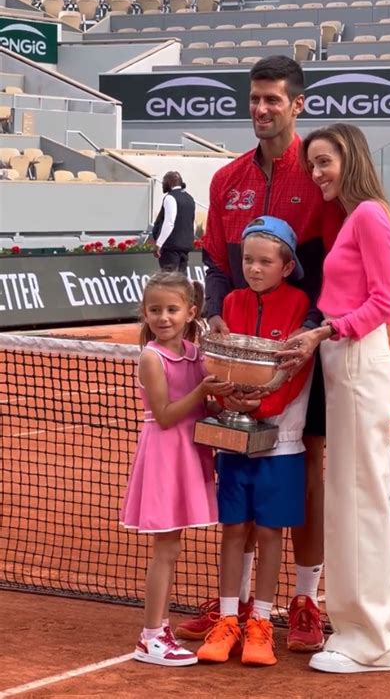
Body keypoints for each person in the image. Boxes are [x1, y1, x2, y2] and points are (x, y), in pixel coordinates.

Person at [176, 55, 345, 652]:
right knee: (238, 455)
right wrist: (217, 312)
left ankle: (304, 597)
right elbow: (219, 263)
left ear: (297, 105)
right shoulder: (226, 181)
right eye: (254, 98)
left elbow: (333, 267)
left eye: (273, 99)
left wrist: (317, 328)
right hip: (238, 340)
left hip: (312, 343)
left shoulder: (323, 178)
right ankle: (239, 600)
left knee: (307, 467)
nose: (261, 109)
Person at [278, 123, 390, 673]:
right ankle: (389, 628)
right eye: (312, 164)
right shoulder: (357, 217)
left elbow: (386, 302)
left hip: (356, 360)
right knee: (365, 498)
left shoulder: (371, 216)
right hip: (346, 363)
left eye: (326, 161)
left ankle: (366, 639)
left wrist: (322, 332)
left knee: (357, 502)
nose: (317, 173)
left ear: (350, 159)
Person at [197, 217, 314, 667]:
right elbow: (219, 362)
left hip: (281, 442)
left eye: (265, 261)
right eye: (248, 259)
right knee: (232, 530)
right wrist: (225, 397)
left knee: (269, 533)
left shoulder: (301, 304)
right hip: (233, 439)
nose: (255, 268)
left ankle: (261, 623)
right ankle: (229, 620)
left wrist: (260, 408)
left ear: (286, 267)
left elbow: (294, 370)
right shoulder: (229, 302)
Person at [120, 272, 233, 667]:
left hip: (192, 454)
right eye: (155, 310)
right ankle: (150, 636)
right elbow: (166, 416)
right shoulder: (151, 357)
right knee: (165, 549)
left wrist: (225, 399)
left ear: (191, 312)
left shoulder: (196, 353)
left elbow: (209, 409)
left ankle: (159, 630)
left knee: (173, 548)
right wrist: (204, 391)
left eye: (171, 309)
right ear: (145, 314)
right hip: (165, 456)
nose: (163, 317)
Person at [152, 171, 196, 274]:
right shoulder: (190, 198)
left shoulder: (170, 197)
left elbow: (169, 222)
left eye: (164, 181)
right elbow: (192, 223)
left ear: (170, 182)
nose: (163, 184)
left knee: (169, 279)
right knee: (181, 279)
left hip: (171, 247)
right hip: (185, 246)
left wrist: (159, 244)